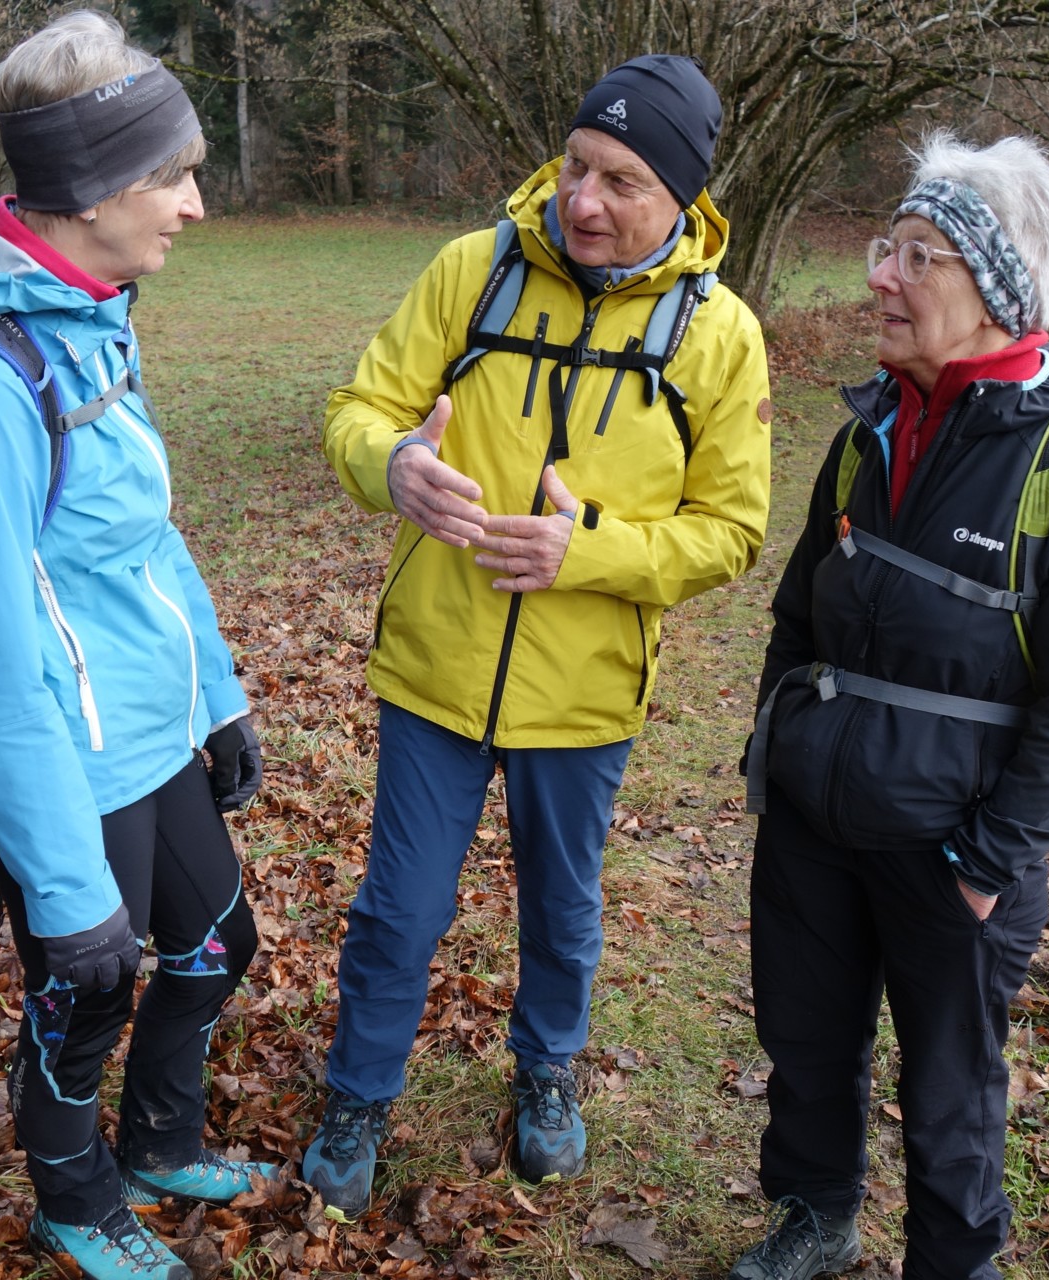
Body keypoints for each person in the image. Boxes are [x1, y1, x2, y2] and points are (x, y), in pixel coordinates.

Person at [311, 55, 772, 1220]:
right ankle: (358, 1095)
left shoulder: (720, 335)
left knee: (562, 907)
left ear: (681, 197)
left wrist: (591, 551)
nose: (583, 199)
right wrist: (393, 464)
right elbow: (359, 409)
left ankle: (547, 1069)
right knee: (399, 908)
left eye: (621, 180)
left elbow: (731, 529)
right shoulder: (471, 271)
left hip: (585, 686)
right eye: (576, 165)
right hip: (437, 662)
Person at [0, 12, 271, 1279]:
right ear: (93, 189)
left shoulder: (94, 313)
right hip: (61, 764)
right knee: (83, 991)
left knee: (217, 946)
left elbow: (144, 533)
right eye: (174, 176)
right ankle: (75, 1195)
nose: (196, 206)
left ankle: (159, 1141)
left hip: (151, 728)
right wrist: (59, 882)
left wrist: (218, 698)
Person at [731, 134, 1049, 1280]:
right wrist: (783, 753)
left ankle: (953, 1261)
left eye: (920, 255)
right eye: (888, 246)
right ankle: (816, 1214)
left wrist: (987, 862)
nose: (882, 276)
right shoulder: (867, 430)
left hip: (955, 848)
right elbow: (800, 613)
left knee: (952, 1085)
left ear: (999, 287)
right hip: (815, 823)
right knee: (806, 1037)